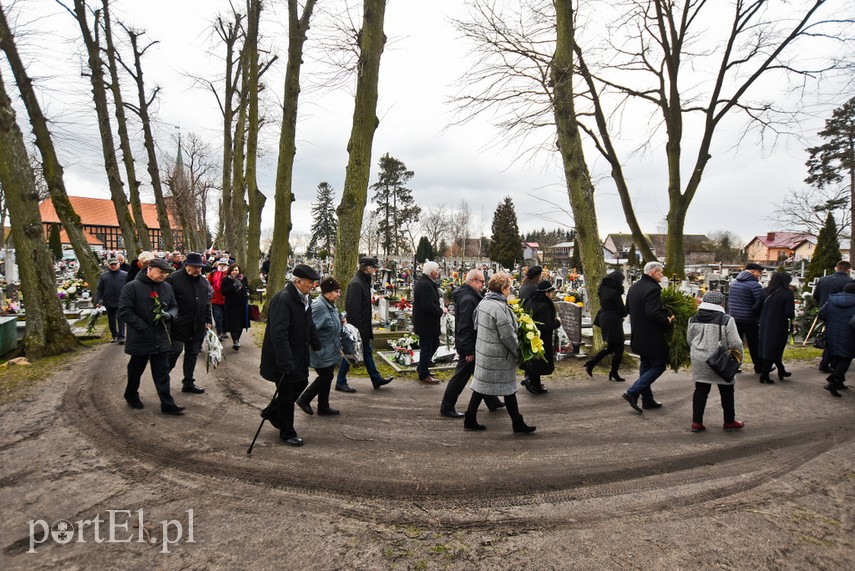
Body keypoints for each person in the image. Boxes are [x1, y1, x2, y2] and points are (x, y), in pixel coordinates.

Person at [463, 273, 536, 434]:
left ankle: (470, 418)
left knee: (481, 387)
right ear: (502, 289)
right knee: (509, 390)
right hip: (498, 356)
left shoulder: (484, 302)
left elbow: (476, 325)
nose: (510, 291)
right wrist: (518, 352)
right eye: (508, 288)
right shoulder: (499, 307)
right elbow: (507, 335)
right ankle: (517, 423)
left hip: (485, 353)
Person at [259, 264, 321, 446]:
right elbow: (278, 333)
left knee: (301, 382)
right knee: (286, 394)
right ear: (298, 281)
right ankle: (287, 432)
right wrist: (285, 361)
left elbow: (308, 324)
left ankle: (271, 412)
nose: (313, 286)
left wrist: (315, 342)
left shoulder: (304, 298)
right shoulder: (284, 299)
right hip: (283, 356)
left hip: (298, 352)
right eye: (310, 282)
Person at [117, 258, 184, 414]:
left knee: (162, 372)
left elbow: (174, 306)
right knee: (136, 370)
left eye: (166, 273)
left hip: (160, 337)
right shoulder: (131, 287)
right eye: (161, 272)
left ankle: (167, 404)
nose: (164, 276)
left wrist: (170, 315)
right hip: (140, 337)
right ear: (149, 269)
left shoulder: (167, 287)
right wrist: (143, 327)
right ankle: (131, 395)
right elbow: (124, 311)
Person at [439, 269, 504, 418]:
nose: (483, 284)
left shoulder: (469, 295)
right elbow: (465, 326)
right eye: (481, 281)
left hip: (471, 343)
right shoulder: (469, 299)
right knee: (461, 376)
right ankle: (447, 406)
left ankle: (492, 401)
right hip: (469, 345)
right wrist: (468, 350)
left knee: (481, 373)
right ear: (473, 281)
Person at [686, 290, 745, 432]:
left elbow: (689, 339)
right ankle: (729, 422)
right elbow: (736, 343)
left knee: (700, 390)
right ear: (721, 303)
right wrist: (738, 359)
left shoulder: (693, 318)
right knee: (727, 390)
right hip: (720, 359)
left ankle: (696, 423)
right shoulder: (726, 319)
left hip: (699, 357)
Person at [621, 261, 674, 414]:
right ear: (653, 272)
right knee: (658, 366)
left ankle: (647, 400)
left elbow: (628, 309)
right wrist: (667, 321)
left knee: (646, 366)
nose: (662, 275)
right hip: (652, 336)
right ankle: (632, 392)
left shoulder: (634, 287)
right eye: (660, 272)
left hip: (638, 334)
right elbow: (652, 313)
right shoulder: (652, 289)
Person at [335, 257, 393, 392]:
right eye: (373, 267)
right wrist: (356, 332)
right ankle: (340, 381)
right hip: (358, 328)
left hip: (363, 327)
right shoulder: (356, 284)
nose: (375, 270)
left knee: (367, 352)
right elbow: (353, 309)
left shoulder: (363, 281)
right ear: (367, 268)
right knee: (350, 352)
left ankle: (376, 378)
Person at [297, 277, 344, 416]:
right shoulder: (319, 306)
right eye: (336, 291)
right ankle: (304, 399)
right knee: (325, 377)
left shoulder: (330, 303)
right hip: (321, 350)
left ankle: (323, 406)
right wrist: (317, 347)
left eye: (339, 291)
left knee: (328, 376)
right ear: (327, 292)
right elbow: (310, 329)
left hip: (330, 348)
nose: (338, 294)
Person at [165, 252, 210, 395]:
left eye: (200, 267)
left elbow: (206, 303)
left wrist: (208, 319)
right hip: (178, 324)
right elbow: (166, 301)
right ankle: (162, 376)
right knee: (175, 351)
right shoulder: (174, 279)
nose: (198, 270)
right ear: (186, 265)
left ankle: (188, 382)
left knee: (192, 354)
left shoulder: (203, 281)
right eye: (195, 267)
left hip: (197, 325)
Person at [585, 270, 628, 381]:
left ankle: (593, 364)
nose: (622, 284)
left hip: (606, 319)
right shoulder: (614, 292)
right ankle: (612, 372)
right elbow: (622, 311)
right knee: (618, 348)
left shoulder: (603, 289)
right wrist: (628, 308)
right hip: (613, 321)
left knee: (612, 347)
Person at [521, 280, 561, 394]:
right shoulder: (544, 305)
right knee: (539, 362)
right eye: (550, 292)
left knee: (533, 360)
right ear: (546, 293)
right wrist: (557, 322)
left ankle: (533, 381)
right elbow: (546, 325)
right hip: (542, 338)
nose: (552, 294)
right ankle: (533, 384)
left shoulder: (530, 301)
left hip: (530, 334)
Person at [813, 261, 854, 373]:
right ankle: (835, 365)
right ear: (848, 269)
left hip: (826, 311)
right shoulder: (850, 282)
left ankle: (825, 363)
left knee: (830, 337)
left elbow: (815, 296)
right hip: (846, 314)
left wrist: (822, 305)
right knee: (841, 338)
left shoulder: (823, 279)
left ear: (836, 268)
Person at [413, 260, 448, 384]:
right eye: (437, 271)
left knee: (434, 344)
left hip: (427, 323)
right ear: (432, 272)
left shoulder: (426, 282)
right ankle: (423, 374)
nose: (438, 273)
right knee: (427, 347)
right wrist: (441, 310)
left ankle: (422, 368)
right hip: (426, 323)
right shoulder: (425, 285)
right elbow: (427, 306)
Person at [727, 262, 766, 375]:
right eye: (759, 272)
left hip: (734, 317)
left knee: (736, 343)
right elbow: (760, 302)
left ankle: (734, 366)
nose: (760, 275)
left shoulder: (734, 282)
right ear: (753, 271)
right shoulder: (754, 285)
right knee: (754, 343)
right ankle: (759, 366)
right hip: (749, 318)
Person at [757, 271, 795, 384]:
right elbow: (789, 312)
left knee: (770, 347)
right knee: (775, 349)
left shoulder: (764, 291)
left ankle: (781, 370)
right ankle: (764, 375)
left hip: (764, 323)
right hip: (779, 324)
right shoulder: (787, 293)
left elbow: (757, 307)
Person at [819, 282, 855, 397]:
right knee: (845, 358)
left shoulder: (832, 299)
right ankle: (833, 381)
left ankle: (839, 382)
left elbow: (821, 314)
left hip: (832, 333)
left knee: (838, 356)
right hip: (850, 335)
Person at [95, 257, 127, 344]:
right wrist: (98, 301)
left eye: (115, 264)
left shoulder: (125, 275)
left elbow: (129, 288)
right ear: (108, 266)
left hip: (121, 300)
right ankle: (114, 335)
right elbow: (100, 289)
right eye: (111, 265)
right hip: (108, 301)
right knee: (111, 320)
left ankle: (122, 336)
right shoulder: (104, 276)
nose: (113, 266)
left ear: (118, 264)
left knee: (121, 319)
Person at [221, 263, 250, 351]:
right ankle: (235, 340)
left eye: (236, 270)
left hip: (241, 305)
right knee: (233, 324)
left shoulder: (243, 279)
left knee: (240, 324)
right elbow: (224, 292)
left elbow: (247, 288)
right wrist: (234, 287)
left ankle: (237, 339)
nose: (235, 272)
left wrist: (247, 293)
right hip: (231, 306)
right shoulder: (226, 280)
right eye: (233, 270)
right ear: (230, 271)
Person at [208, 258, 229, 339]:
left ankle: (224, 331)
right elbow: (208, 284)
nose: (222, 266)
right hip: (215, 299)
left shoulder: (229, 274)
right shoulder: (213, 273)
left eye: (224, 265)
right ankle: (219, 332)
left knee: (225, 317)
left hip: (226, 299)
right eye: (221, 264)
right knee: (217, 316)